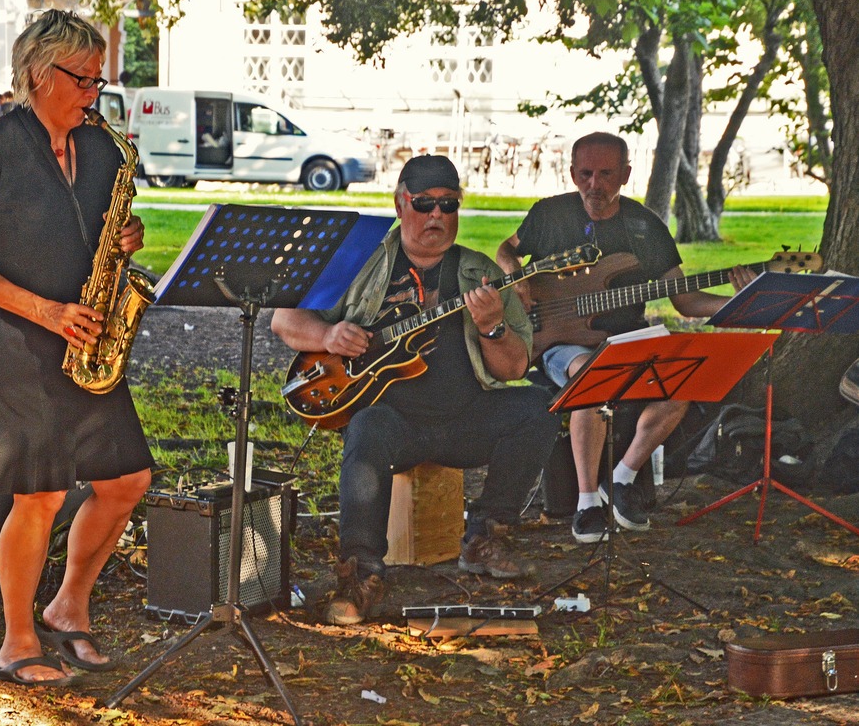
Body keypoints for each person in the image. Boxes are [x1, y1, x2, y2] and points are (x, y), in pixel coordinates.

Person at [0, 8, 153, 686]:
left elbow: (97, 233)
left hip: (84, 337)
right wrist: (48, 312)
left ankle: (68, 607)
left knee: (127, 481)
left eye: (98, 80)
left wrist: (124, 240)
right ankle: (16, 642)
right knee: (41, 494)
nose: (94, 93)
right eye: (82, 78)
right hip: (11, 341)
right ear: (38, 73)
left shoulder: (102, 151)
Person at [271, 155, 557, 625]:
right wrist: (328, 335)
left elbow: (513, 368)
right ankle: (360, 573)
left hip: (464, 418)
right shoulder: (361, 263)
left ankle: (485, 536)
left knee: (539, 406)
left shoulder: (482, 273)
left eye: (449, 204)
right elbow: (285, 320)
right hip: (393, 424)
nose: (437, 215)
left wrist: (492, 326)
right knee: (367, 428)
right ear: (401, 204)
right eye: (425, 204)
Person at [496, 132, 754, 544]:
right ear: (572, 174)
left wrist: (742, 301)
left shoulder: (644, 227)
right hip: (557, 340)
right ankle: (586, 503)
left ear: (626, 174)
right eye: (585, 174)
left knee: (682, 381)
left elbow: (685, 301)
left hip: (628, 340)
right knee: (593, 376)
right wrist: (516, 277)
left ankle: (622, 477)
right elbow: (506, 250)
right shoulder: (549, 213)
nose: (594, 184)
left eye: (605, 174)